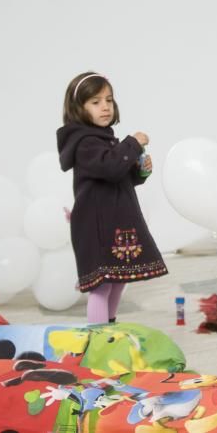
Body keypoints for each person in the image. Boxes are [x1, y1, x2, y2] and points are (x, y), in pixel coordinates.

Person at [57, 72, 167, 324]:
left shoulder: (103, 139)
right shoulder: (84, 143)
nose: (105, 107)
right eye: (95, 102)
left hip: (114, 221)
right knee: (102, 285)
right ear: (79, 108)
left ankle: (110, 329)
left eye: (109, 100)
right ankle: (98, 337)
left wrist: (140, 170)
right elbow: (110, 167)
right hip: (96, 227)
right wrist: (133, 143)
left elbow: (118, 175)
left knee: (118, 281)